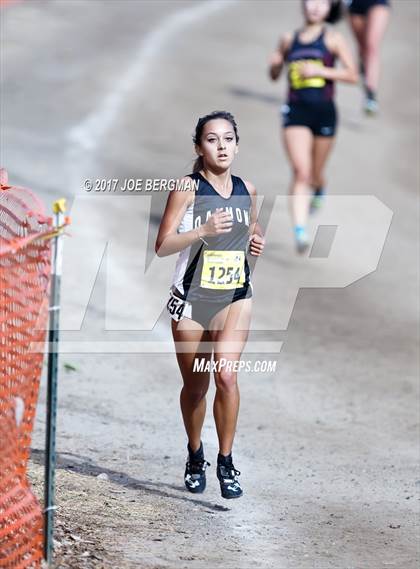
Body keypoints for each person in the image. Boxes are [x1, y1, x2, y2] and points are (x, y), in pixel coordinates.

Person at [155, 111, 265, 499]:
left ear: (237, 143)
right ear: (199, 147)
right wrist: (201, 231)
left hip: (234, 296)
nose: (222, 146)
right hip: (192, 301)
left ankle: (226, 460)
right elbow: (163, 244)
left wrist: (256, 244)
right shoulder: (186, 188)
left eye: (228, 139)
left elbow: (251, 229)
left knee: (227, 378)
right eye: (212, 139)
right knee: (196, 387)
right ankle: (195, 452)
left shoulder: (246, 188)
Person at [268, 0, 358, 253]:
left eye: (322, 3)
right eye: (311, 2)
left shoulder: (333, 39)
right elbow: (274, 75)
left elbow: (352, 75)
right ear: (303, 5)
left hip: (325, 114)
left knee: (315, 174)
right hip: (295, 113)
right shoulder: (288, 39)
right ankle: (300, 230)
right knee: (301, 172)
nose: (315, 7)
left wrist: (322, 71)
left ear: (330, 9)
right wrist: (275, 64)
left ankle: (320, 186)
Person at [346, 0, 391, 114]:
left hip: (378, 2)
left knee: (371, 46)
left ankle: (371, 95)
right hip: (355, 4)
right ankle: (365, 69)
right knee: (362, 47)